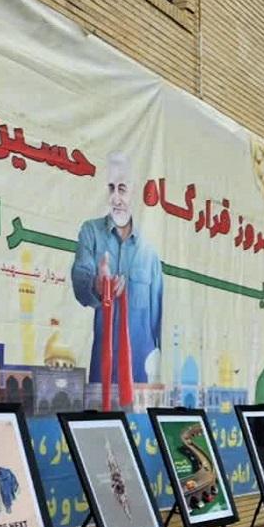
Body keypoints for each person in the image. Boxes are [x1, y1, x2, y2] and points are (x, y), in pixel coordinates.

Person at [70, 153, 164, 408]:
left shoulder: (150, 251)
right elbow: (80, 277)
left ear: (135, 192)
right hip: (103, 375)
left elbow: (157, 320)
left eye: (122, 189)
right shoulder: (91, 232)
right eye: (111, 188)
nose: (116, 198)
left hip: (140, 378)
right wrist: (97, 285)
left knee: (138, 430)